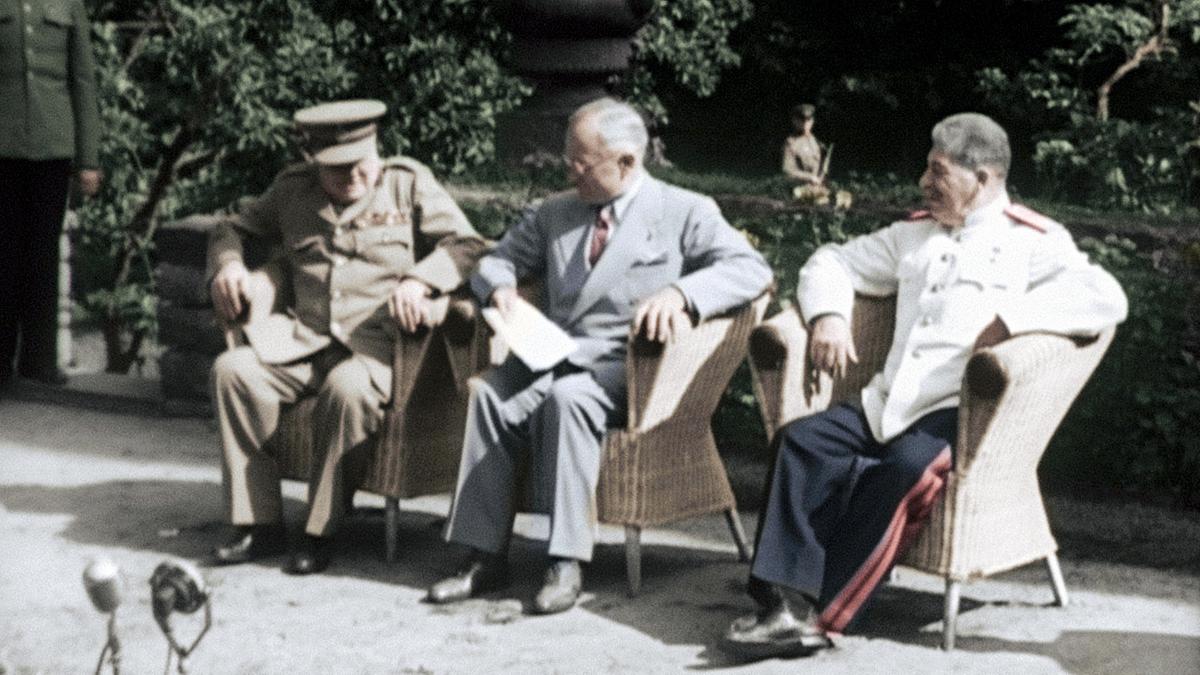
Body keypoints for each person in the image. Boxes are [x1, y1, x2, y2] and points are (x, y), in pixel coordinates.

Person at [722, 113, 1129, 660]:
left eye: (938, 171)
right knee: (800, 441)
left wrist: (1013, 318)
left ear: (982, 179)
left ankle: (820, 614)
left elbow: (1106, 297)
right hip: (887, 403)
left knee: (907, 470)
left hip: (959, 413)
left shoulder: (1033, 241)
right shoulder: (913, 234)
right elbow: (831, 261)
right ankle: (777, 600)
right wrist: (830, 317)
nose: (923, 181)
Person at [427, 97, 773, 614]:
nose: (570, 172)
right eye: (569, 160)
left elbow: (752, 270)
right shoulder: (556, 213)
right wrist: (499, 287)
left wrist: (682, 295)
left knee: (570, 397)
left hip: (630, 367)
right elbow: (495, 259)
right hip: (551, 353)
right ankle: (483, 555)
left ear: (627, 162)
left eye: (581, 164)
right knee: (488, 394)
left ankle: (565, 562)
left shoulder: (684, 211)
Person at [206, 100, 485, 575]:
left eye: (361, 165)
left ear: (376, 151)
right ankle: (258, 524)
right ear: (315, 163)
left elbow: (469, 245)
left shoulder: (407, 182)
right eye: (337, 171)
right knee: (233, 372)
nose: (353, 178)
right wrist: (228, 265)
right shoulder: (292, 190)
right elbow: (230, 226)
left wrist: (421, 280)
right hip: (305, 340)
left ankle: (319, 531)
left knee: (347, 389)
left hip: (380, 346)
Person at [0, 0, 103, 387]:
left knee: (43, 251)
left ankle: (39, 360)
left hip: (52, 144)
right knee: (3, 252)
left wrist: (88, 159)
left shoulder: (68, 4)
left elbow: (83, 81)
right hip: (2, 146)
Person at [781, 103, 828, 202]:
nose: (805, 123)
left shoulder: (817, 142)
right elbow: (788, 171)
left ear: (813, 121)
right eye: (802, 120)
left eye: (809, 120)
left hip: (817, 189)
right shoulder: (791, 143)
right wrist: (810, 177)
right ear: (794, 121)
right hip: (797, 192)